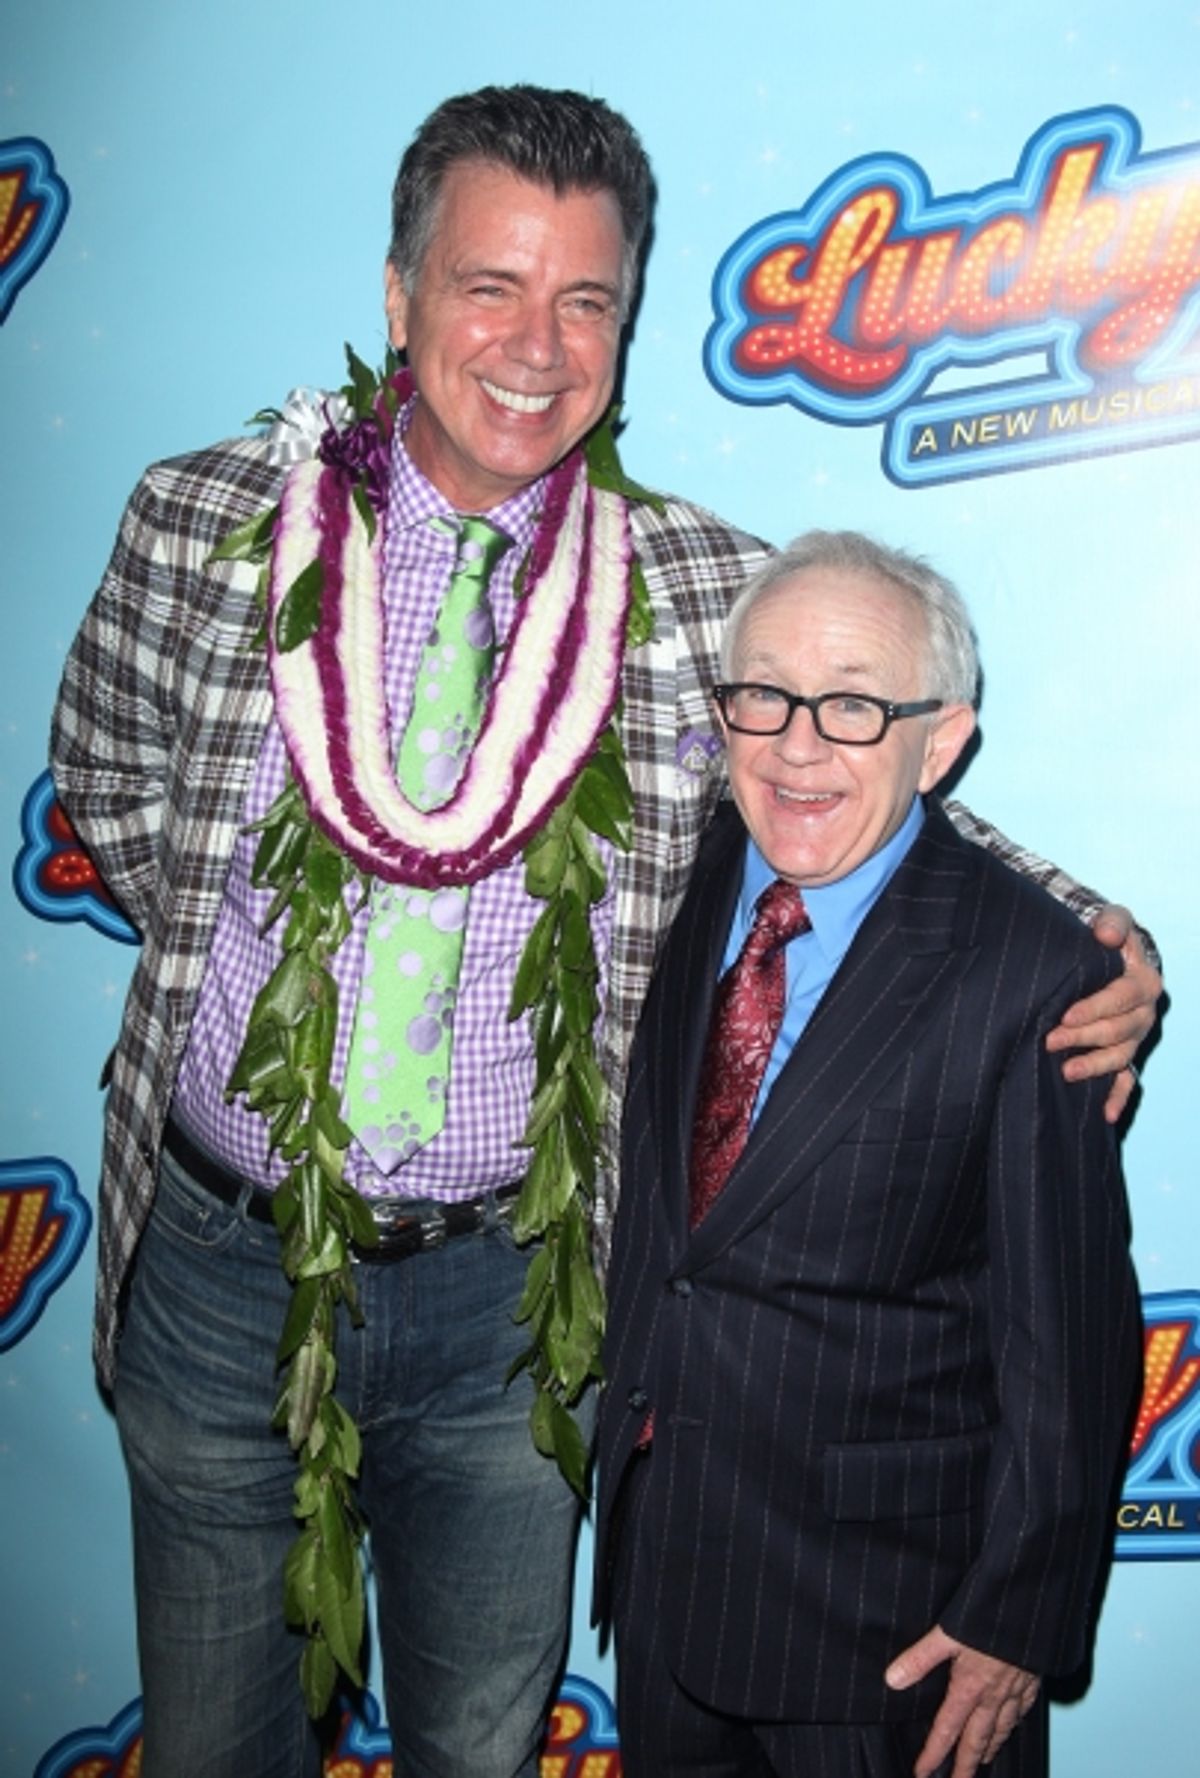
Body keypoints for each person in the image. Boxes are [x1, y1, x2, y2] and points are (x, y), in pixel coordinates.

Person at [50, 86, 1155, 1778]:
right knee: (212, 1742)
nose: (537, 345)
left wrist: (1092, 930)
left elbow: (868, 755)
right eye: (491, 284)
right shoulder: (205, 524)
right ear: (403, 293)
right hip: (220, 1268)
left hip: (513, 1303)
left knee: (483, 1742)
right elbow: (110, 770)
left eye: (589, 303)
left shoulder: (693, 586)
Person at [594, 531, 1143, 1778]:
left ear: (939, 740)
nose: (796, 743)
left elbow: (1070, 1339)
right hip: (672, 1593)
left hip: (895, 1644)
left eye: (851, 705)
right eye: (764, 695)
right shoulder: (681, 876)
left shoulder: (1034, 976)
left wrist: (1015, 1617)